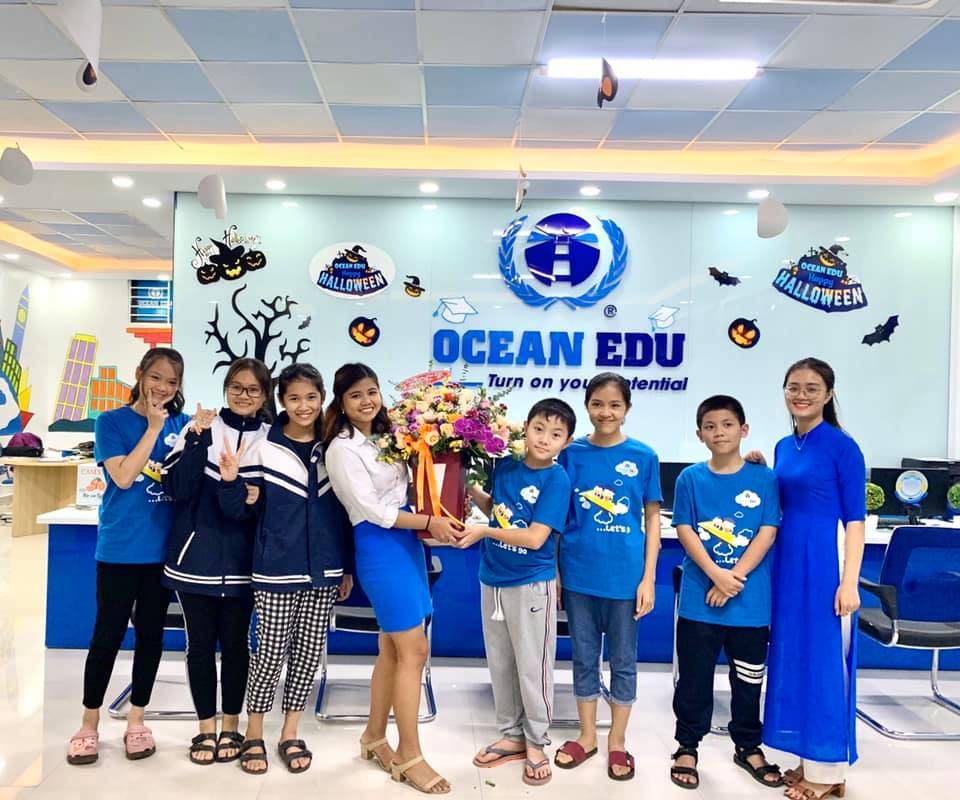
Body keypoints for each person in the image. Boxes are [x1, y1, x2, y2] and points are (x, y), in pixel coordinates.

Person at [324, 363, 463, 795]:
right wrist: (429, 522)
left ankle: (373, 736)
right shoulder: (341, 449)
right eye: (355, 395)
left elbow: (412, 486)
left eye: (371, 391)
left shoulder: (390, 435)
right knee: (414, 649)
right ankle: (409, 753)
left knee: (391, 647)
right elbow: (373, 510)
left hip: (407, 544)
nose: (366, 401)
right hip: (379, 546)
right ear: (341, 403)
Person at [222, 363, 354, 776]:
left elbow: (345, 514)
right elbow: (242, 511)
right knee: (269, 654)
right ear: (281, 401)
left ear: (323, 399)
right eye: (294, 398)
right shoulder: (264, 448)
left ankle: (290, 732)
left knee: (308, 654)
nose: (303, 406)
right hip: (276, 570)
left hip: (325, 571)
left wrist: (346, 568)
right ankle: (254, 732)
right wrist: (234, 487)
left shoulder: (335, 448)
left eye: (311, 397)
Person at [749, 358, 865, 800]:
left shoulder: (842, 446)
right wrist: (761, 468)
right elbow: (786, 498)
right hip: (788, 563)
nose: (801, 395)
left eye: (812, 388)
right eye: (794, 387)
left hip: (826, 562)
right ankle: (808, 758)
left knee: (824, 661)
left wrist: (849, 582)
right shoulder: (784, 445)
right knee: (793, 656)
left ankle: (829, 769)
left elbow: (856, 520)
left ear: (829, 394)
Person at [68, 347, 190, 765]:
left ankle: (137, 719)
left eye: (172, 382)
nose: (163, 388)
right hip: (120, 549)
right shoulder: (111, 421)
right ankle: (89, 723)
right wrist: (153, 429)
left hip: (164, 554)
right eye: (156, 378)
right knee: (107, 635)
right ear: (139, 374)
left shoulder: (182, 424)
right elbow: (121, 477)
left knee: (152, 637)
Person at [457, 398, 575, 787]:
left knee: (532, 666)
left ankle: (537, 742)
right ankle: (511, 736)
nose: (544, 439)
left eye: (555, 434)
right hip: (492, 577)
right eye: (539, 429)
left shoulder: (557, 480)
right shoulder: (506, 464)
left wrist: (484, 531)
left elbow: (535, 537)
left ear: (566, 442)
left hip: (531, 583)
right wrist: (468, 489)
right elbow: (498, 509)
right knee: (501, 662)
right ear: (526, 428)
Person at [161, 358, 272, 765]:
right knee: (200, 646)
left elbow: (267, 504)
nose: (244, 395)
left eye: (253, 389)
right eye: (236, 387)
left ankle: (231, 726)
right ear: (226, 388)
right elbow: (177, 487)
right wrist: (197, 439)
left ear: (265, 395)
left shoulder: (271, 438)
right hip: (195, 559)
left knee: (239, 646)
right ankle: (205, 727)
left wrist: (246, 491)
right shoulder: (201, 427)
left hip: (246, 563)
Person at [669, 395, 783, 791]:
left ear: (744, 429)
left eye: (728, 424)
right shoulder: (690, 479)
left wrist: (733, 577)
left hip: (750, 602)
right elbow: (685, 529)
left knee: (749, 680)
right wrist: (716, 575)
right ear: (699, 434)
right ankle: (687, 746)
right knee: (694, 679)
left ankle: (748, 746)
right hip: (700, 600)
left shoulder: (765, 479)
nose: (719, 432)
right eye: (710, 426)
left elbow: (767, 531)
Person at [553, 372, 662, 781]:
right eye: (598, 404)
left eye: (615, 405)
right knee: (583, 656)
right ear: (587, 407)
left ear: (627, 408)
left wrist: (648, 578)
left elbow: (652, 519)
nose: (606, 412)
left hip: (625, 577)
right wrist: (557, 571)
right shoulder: (570, 454)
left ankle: (617, 740)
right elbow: (558, 516)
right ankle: (587, 736)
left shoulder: (644, 456)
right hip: (578, 574)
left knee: (623, 661)